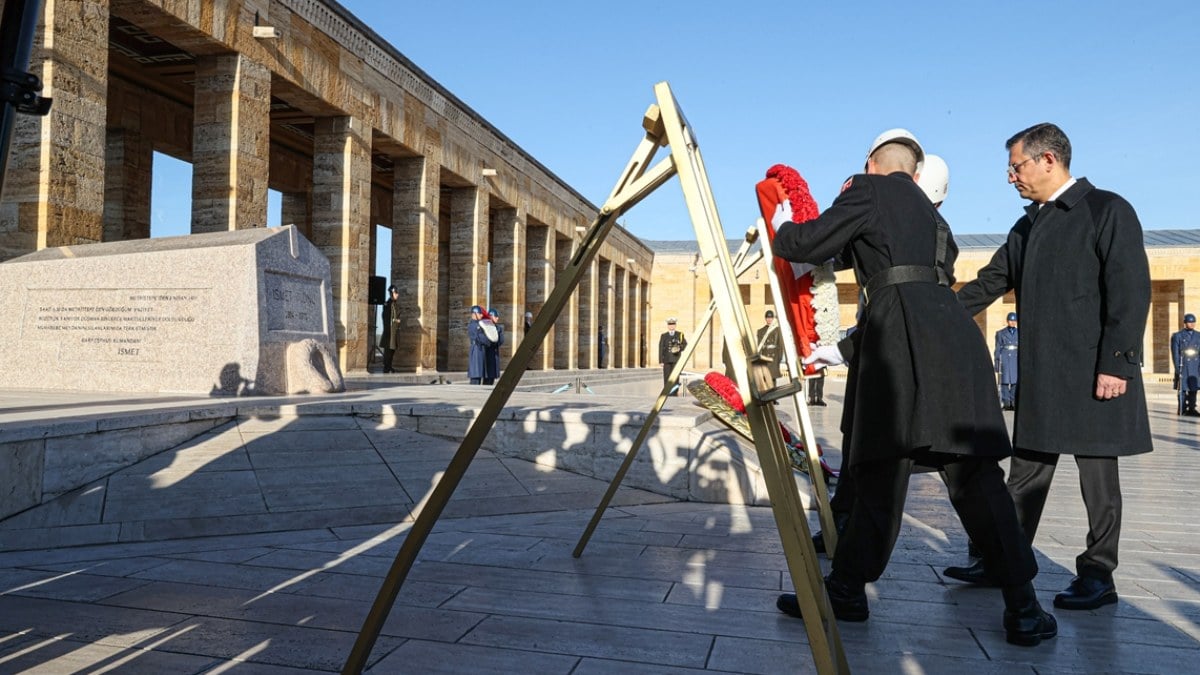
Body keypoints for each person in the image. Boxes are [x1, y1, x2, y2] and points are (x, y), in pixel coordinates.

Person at [771, 128, 1055, 646]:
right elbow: (908, 287)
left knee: (880, 473)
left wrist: (783, 226)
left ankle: (848, 591)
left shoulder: (868, 189)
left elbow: (810, 244)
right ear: (917, 172)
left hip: (901, 352)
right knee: (976, 480)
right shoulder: (935, 219)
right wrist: (846, 347)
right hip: (955, 344)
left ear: (872, 164)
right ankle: (1024, 608)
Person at [947, 123, 1152, 613]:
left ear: (1048, 160)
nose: (1010, 176)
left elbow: (1130, 290)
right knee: (1024, 479)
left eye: (1016, 166)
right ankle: (1006, 561)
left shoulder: (1107, 209)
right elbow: (990, 282)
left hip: (1094, 375)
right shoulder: (1027, 226)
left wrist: (1116, 365)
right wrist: (933, 312)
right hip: (1044, 378)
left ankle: (1098, 575)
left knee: (1098, 483)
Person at [809, 151, 950, 551]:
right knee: (860, 444)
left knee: (904, 459)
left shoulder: (930, 236)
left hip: (906, 355)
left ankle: (855, 555)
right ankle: (842, 527)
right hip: (874, 348)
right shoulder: (911, 226)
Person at [1170, 313, 1200, 416]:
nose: (1191, 324)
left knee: (1193, 388)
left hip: (1195, 365)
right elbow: (1175, 354)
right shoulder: (1178, 336)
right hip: (1183, 365)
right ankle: (1182, 408)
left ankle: (1192, 408)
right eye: (1189, 322)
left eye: (1193, 322)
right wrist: (1177, 368)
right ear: (1185, 323)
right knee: (1182, 389)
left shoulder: (1198, 335)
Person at [995, 312, 1019, 410]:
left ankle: (1013, 402)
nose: (1012, 322)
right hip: (1005, 357)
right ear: (1007, 321)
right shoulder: (1000, 333)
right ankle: (1006, 403)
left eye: (1014, 321)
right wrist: (997, 363)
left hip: (1015, 358)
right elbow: (997, 349)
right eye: (1011, 320)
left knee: (1015, 382)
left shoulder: (1019, 332)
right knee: (1004, 382)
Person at [467, 305, 494, 385]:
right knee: (476, 371)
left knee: (479, 370)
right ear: (474, 314)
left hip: (480, 348)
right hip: (476, 348)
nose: (482, 315)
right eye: (480, 314)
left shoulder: (479, 324)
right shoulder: (473, 325)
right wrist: (489, 341)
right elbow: (480, 337)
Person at [658, 318, 686, 392]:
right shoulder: (664, 335)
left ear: (675, 325)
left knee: (675, 376)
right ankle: (667, 391)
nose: (671, 326)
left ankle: (674, 391)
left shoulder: (680, 334)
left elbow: (685, 344)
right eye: (670, 324)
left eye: (673, 324)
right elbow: (661, 348)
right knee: (667, 376)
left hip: (676, 359)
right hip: (666, 359)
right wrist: (661, 361)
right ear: (668, 326)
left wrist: (679, 348)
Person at [380, 284, 400, 373]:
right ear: (392, 293)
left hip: (394, 330)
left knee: (392, 349)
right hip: (389, 330)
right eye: (396, 293)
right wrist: (395, 321)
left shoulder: (394, 304)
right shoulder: (387, 304)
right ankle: (386, 367)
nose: (397, 294)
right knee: (388, 350)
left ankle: (389, 365)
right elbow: (386, 318)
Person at [483, 308, 504, 385]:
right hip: (487, 351)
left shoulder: (498, 328)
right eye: (496, 317)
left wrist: (495, 342)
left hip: (494, 351)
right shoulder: (485, 326)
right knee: (487, 375)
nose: (497, 318)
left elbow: (501, 340)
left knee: (492, 375)